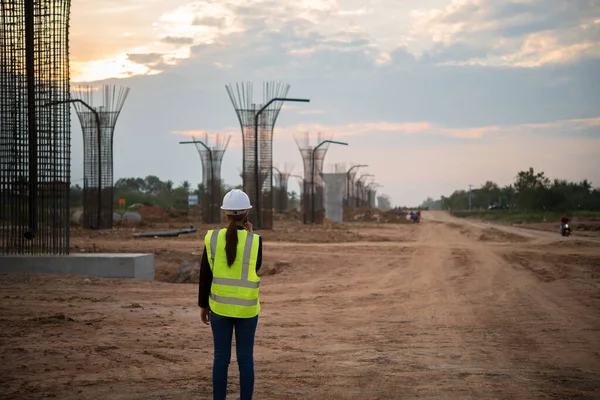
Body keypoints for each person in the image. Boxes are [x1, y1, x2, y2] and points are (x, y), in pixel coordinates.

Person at [198, 189, 263, 400]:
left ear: (226, 215)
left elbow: (205, 274)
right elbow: (256, 267)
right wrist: (249, 234)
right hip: (247, 310)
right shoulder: (255, 241)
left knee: (221, 358)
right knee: (245, 359)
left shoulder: (212, 238)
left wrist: (203, 305)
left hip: (219, 308)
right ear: (247, 214)